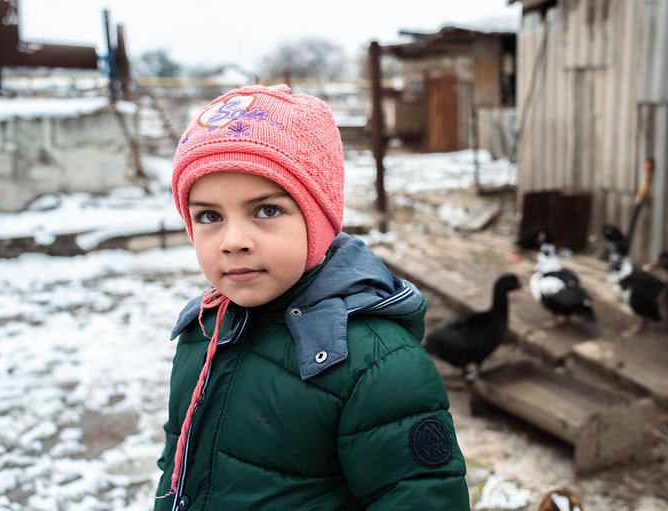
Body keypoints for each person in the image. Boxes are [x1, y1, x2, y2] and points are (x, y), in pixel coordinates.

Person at [154, 84, 470, 510]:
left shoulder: (376, 365)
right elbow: (178, 472)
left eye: (266, 210)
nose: (233, 241)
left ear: (316, 219)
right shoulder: (203, 334)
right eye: (209, 216)